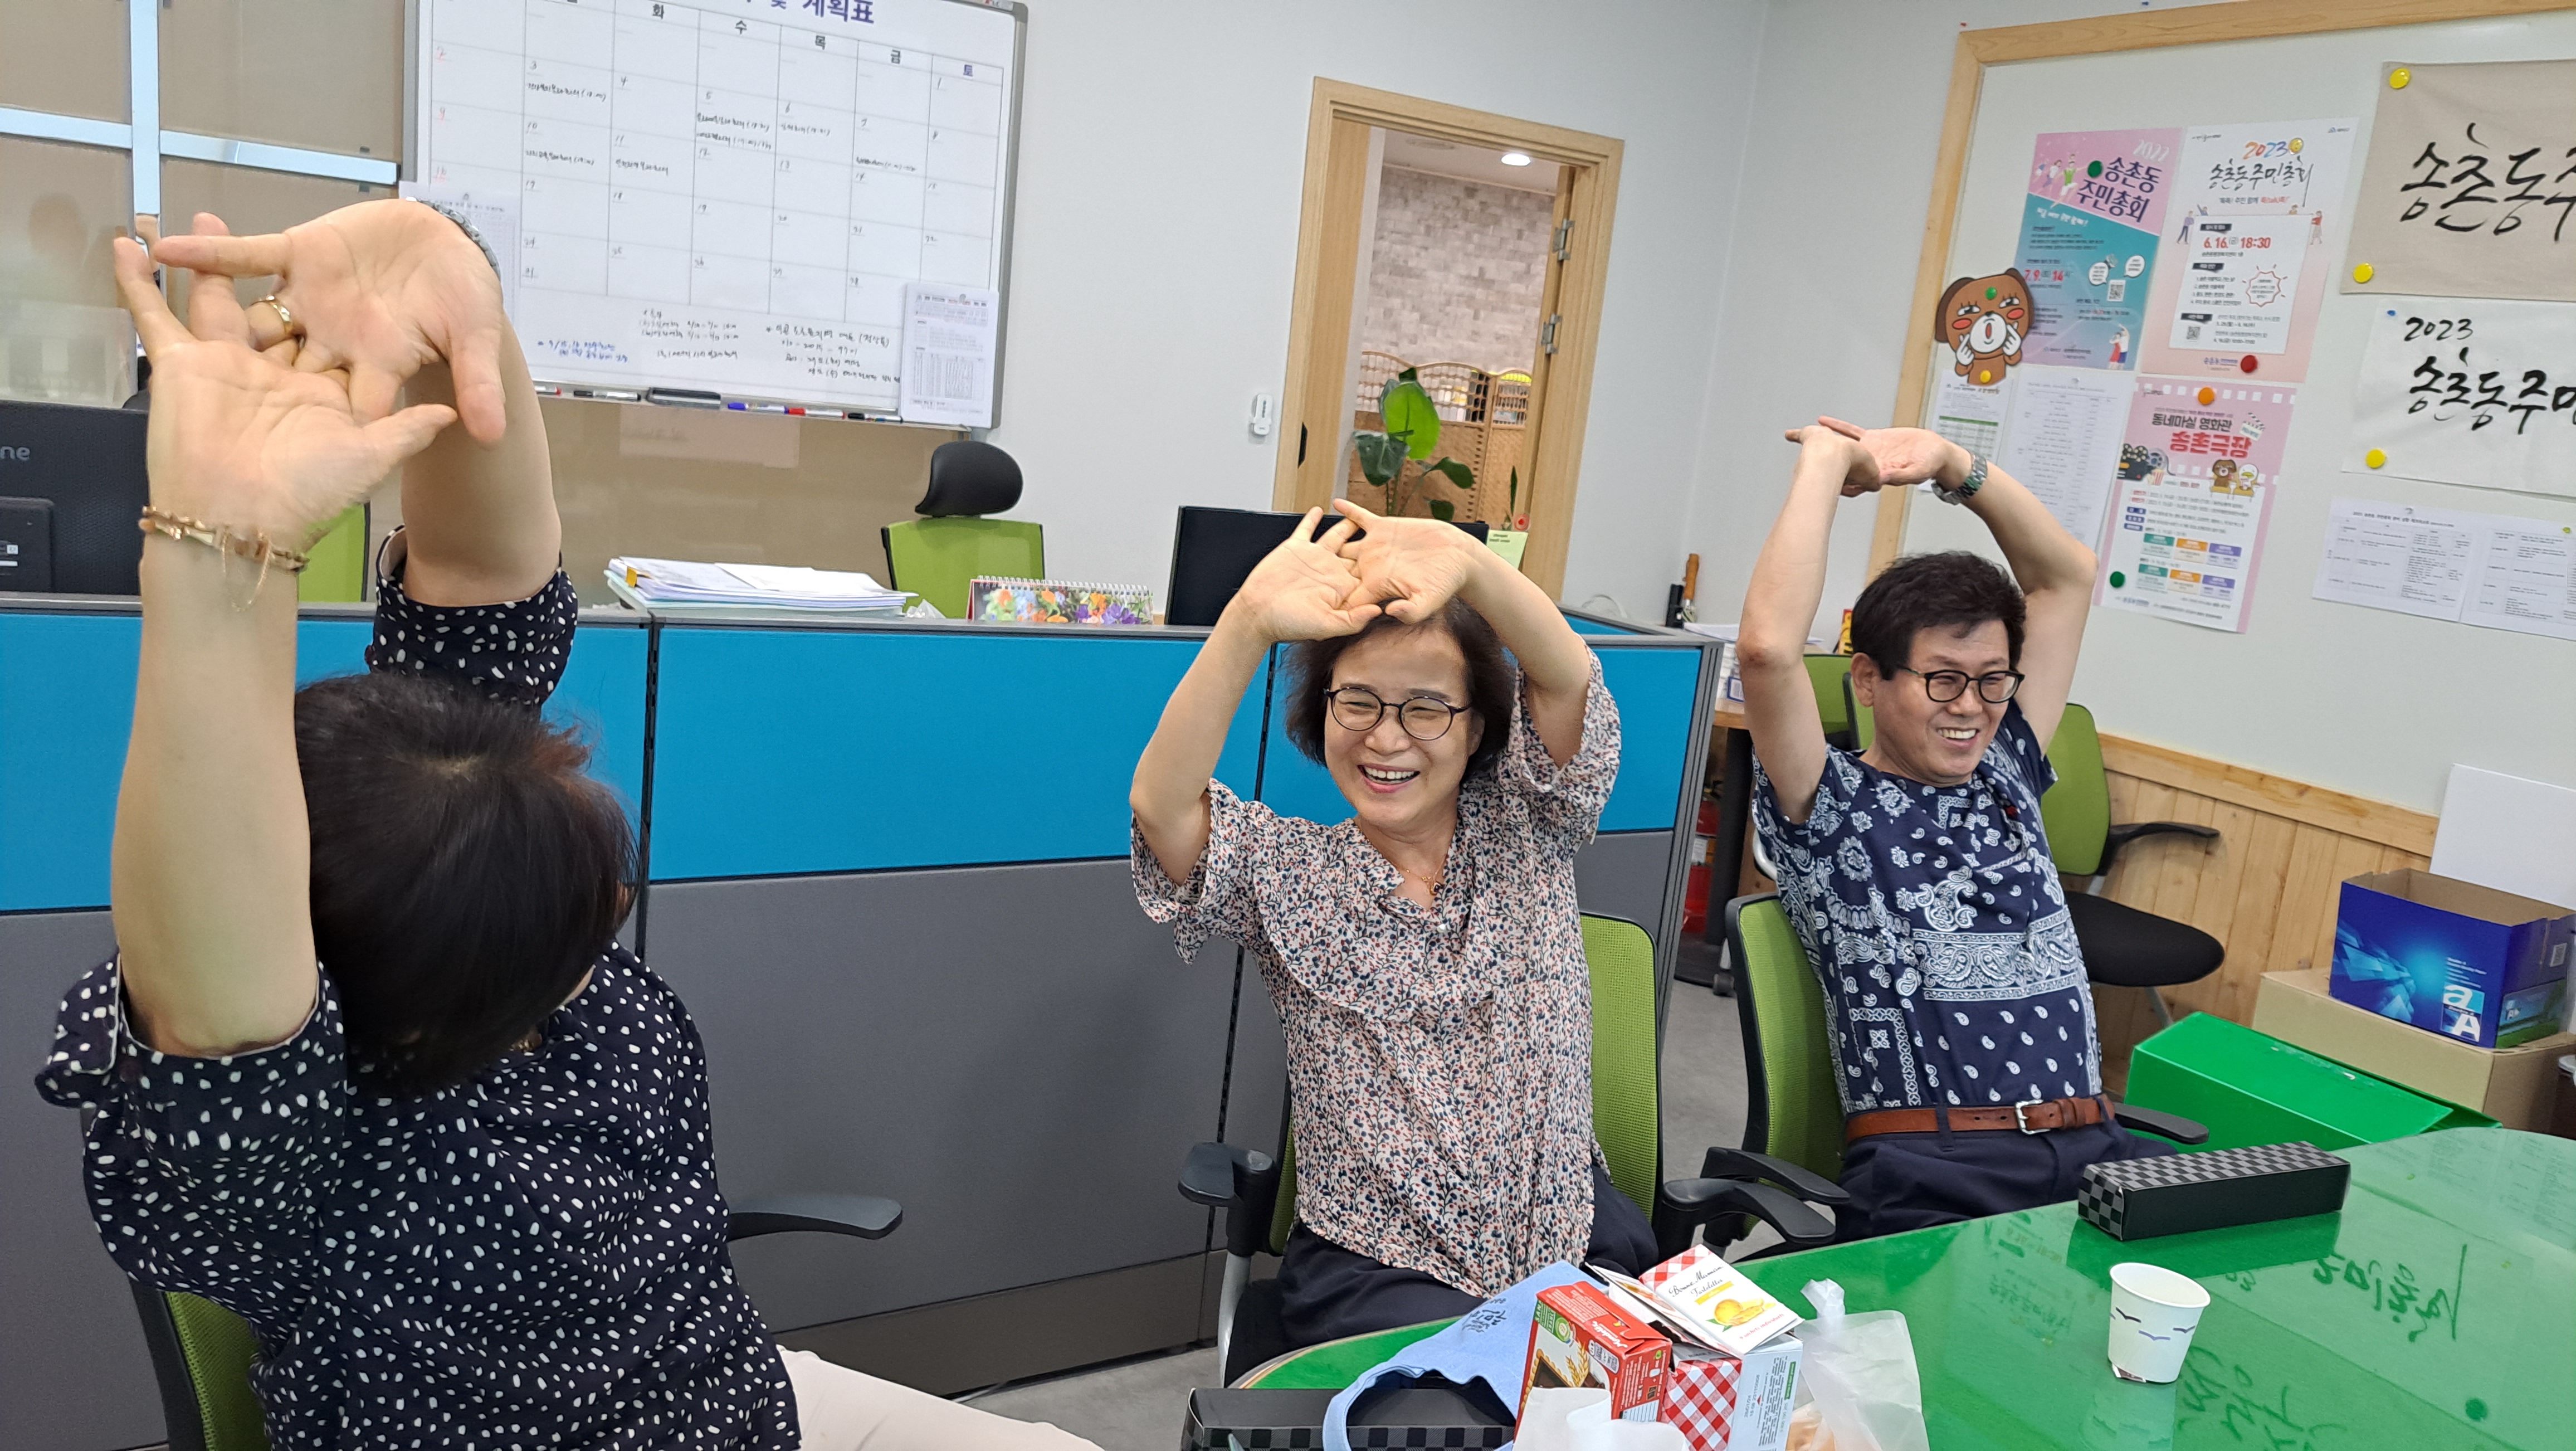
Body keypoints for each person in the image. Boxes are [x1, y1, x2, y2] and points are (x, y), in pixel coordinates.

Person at [33, 201, 1094, 1451]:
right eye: (579, 935)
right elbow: (225, 1013)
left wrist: (455, 312)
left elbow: (486, 585)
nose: (608, 923)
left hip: (738, 1397)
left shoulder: (452, 843)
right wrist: (221, 553)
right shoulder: (314, 1151)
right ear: (429, 1009)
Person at [1128, 501, 1656, 1349]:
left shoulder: (1530, 824)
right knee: (1462, 1408)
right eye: (1359, 703)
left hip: (1569, 1238)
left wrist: (1470, 565)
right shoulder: (1287, 873)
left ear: (1476, 728)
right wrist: (1250, 621)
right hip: (1379, 1268)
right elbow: (1162, 806)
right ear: (1322, 714)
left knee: (1646, 1402)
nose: (1387, 738)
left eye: (1426, 708)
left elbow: (1568, 682)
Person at [1737, 417, 2174, 1240]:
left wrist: (1950, 463)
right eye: (1942, 680)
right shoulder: (1830, 803)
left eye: (1992, 680)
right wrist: (1828, 464)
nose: (1971, 708)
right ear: (1868, 679)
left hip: (2092, 1150)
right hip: (1936, 1170)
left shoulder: (2007, 769)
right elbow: (1766, 650)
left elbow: (2067, 579)